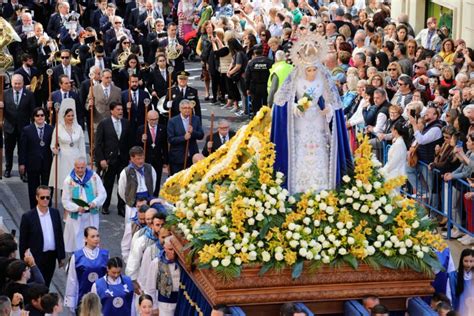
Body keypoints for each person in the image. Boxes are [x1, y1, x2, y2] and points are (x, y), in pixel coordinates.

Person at [271, 33, 352, 194]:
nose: (312, 72)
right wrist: (294, 107)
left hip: (317, 120)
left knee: (319, 151)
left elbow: (333, 101)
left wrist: (328, 110)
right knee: (300, 151)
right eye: (309, 69)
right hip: (301, 121)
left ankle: (321, 188)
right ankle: (299, 188)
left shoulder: (323, 79)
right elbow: (281, 100)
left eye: (315, 69)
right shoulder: (295, 79)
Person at [19, 185, 65, 287]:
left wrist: (61, 256)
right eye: (42, 197)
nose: (45, 200)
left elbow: (59, 235)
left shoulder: (55, 213)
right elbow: (23, 241)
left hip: (51, 257)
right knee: (36, 285)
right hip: (36, 257)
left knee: (47, 284)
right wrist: (24, 261)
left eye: (47, 197)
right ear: (36, 197)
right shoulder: (28, 217)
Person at [61, 158, 107, 252]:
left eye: (82, 167)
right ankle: (79, 259)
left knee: (92, 237)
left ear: (86, 167)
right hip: (77, 215)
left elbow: (102, 193)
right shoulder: (69, 180)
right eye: (78, 168)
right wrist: (77, 208)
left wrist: (95, 202)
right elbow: (65, 201)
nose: (80, 170)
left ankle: (92, 258)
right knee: (77, 239)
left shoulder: (93, 177)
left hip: (91, 214)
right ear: (74, 167)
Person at [95, 102, 131, 216]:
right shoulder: (104, 124)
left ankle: (121, 207)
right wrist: (101, 159)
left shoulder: (126, 123)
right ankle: (105, 206)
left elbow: (130, 141)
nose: (121, 111)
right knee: (108, 184)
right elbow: (98, 144)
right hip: (109, 160)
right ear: (112, 111)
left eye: (121, 109)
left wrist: (130, 158)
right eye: (118, 109)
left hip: (123, 159)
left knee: (122, 184)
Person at [65, 227, 109, 313]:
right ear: (85, 238)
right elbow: (72, 279)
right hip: (82, 297)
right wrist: (71, 301)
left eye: (97, 236)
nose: (96, 239)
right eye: (92, 236)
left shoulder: (105, 255)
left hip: (101, 298)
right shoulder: (77, 256)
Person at [0, 74, 36, 179]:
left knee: (23, 151)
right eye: (15, 83)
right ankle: (8, 169)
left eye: (19, 83)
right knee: (8, 150)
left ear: (23, 83)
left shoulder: (29, 94)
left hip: (24, 128)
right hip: (9, 127)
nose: (17, 85)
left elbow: (32, 111)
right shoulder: (4, 94)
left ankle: (23, 172)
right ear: (11, 83)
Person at [19, 107, 54, 209]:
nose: (40, 117)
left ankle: (47, 208)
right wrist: (22, 163)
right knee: (33, 189)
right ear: (34, 117)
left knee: (47, 188)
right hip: (32, 164)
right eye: (37, 115)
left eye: (42, 115)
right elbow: (22, 149)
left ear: (45, 116)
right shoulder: (27, 130)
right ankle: (34, 209)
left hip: (47, 164)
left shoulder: (51, 129)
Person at [48, 102, 87, 192]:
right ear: (64, 117)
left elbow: (82, 146)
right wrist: (55, 150)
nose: (71, 118)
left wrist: (83, 160)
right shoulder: (58, 128)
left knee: (75, 186)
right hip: (63, 158)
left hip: (75, 158)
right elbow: (52, 145)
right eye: (68, 116)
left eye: (72, 115)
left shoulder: (79, 128)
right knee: (64, 185)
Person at [126, 212, 165, 297]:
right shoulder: (142, 241)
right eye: (157, 225)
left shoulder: (166, 241)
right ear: (152, 225)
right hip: (143, 279)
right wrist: (132, 281)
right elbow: (133, 260)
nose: (160, 228)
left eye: (163, 225)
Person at [143, 235, 180, 316]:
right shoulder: (156, 263)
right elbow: (150, 288)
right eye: (170, 249)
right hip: (164, 304)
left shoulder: (181, 263)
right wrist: (153, 307)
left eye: (175, 249)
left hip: (181, 303)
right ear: (164, 248)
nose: (173, 252)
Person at [118, 146, 157, 221]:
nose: (141, 161)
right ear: (132, 158)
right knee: (131, 228)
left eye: (142, 158)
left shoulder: (150, 168)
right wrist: (131, 201)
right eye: (138, 159)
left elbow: (153, 185)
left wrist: (147, 200)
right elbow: (121, 191)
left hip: (147, 202)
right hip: (133, 205)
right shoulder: (126, 172)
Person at [167, 99, 205, 174]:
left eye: (189, 108)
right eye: (184, 108)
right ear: (180, 109)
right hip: (178, 157)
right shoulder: (173, 121)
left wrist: (193, 132)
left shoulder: (195, 119)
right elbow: (170, 139)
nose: (187, 110)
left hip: (192, 155)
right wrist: (183, 138)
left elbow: (201, 135)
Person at [137, 110, 168, 196]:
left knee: (157, 181)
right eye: (152, 119)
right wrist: (142, 140)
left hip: (158, 160)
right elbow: (136, 145)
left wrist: (166, 161)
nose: (154, 121)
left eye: (156, 119)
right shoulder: (141, 129)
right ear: (147, 119)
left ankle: (154, 199)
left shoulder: (162, 128)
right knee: (145, 181)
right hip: (146, 159)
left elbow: (164, 145)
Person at [245, 44, 273, 116]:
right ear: (262, 51)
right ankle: (266, 119)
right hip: (266, 86)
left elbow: (247, 76)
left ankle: (256, 119)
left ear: (254, 52)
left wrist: (247, 88)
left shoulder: (251, 62)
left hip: (254, 86)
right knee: (266, 104)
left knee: (256, 105)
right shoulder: (269, 62)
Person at [447, 249, 474, 315]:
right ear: (461, 261)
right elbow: (449, 295)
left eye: (471, 261)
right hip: (458, 310)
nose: (468, 264)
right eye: (466, 261)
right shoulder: (453, 277)